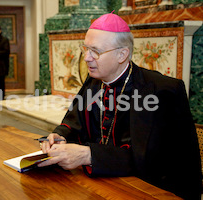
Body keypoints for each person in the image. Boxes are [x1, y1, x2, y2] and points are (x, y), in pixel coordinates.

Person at [39, 12, 202, 200]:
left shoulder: (161, 91)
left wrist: (88, 155)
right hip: (97, 187)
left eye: (95, 51)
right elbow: (74, 123)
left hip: (145, 191)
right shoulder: (93, 83)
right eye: (85, 49)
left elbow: (150, 159)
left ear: (122, 54)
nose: (86, 58)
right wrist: (59, 136)